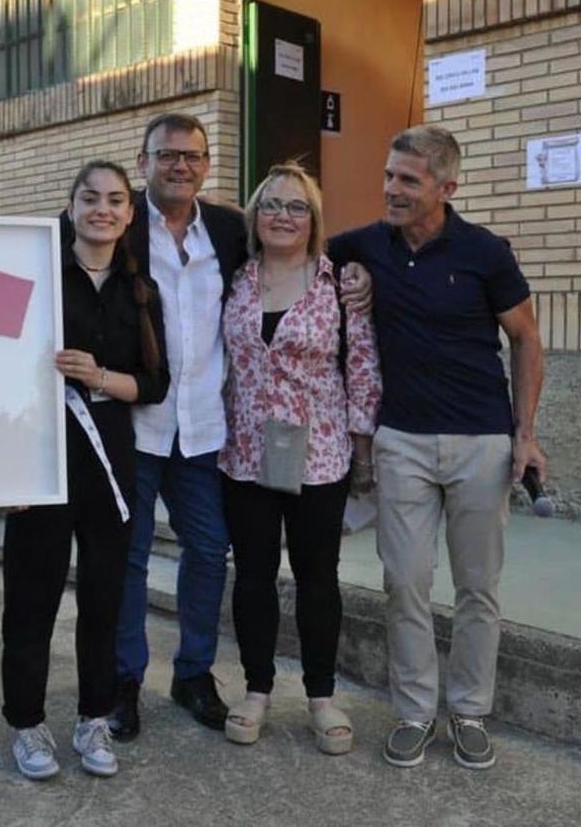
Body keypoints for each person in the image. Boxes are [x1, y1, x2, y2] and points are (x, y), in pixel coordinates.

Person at [107, 113, 372, 741]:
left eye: (191, 156)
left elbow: (360, 357)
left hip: (246, 441)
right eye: (166, 154)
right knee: (140, 559)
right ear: (144, 160)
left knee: (216, 555)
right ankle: (128, 681)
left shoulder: (245, 242)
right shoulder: (128, 229)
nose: (179, 165)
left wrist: (365, 450)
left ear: (205, 164)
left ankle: (204, 675)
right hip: (176, 433)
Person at [328, 126, 547, 770]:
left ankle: (471, 710)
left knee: (478, 588)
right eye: (389, 175)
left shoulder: (485, 252)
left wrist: (524, 433)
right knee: (405, 582)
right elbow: (291, 245)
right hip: (402, 441)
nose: (391, 190)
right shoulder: (367, 244)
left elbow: (527, 341)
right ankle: (417, 711)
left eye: (408, 180)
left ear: (447, 188)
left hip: (482, 442)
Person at [3, 161, 168, 781]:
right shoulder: (37, 275)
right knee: (31, 598)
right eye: (90, 198)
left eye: (116, 200)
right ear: (70, 206)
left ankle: (94, 718)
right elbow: (0, 364)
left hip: (110, 456)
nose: (103, 209)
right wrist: (7, 468)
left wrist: (98, 376)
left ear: (130, 214)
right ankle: (26, 724)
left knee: (105, 596)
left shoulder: (141, 288)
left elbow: (154, 384)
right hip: (41, 451)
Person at [218, 164, 381, 754]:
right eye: (271, 205)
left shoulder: (340, 281)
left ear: (313, 221)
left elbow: (361, 364)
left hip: (320, 453)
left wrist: (363, 447)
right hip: (245, 453)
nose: (283, 216)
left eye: (296, 207)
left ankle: (320, 696)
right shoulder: (235, 279)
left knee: (318, 579)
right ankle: (257, 688)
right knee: (254, 576)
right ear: (254, 216)